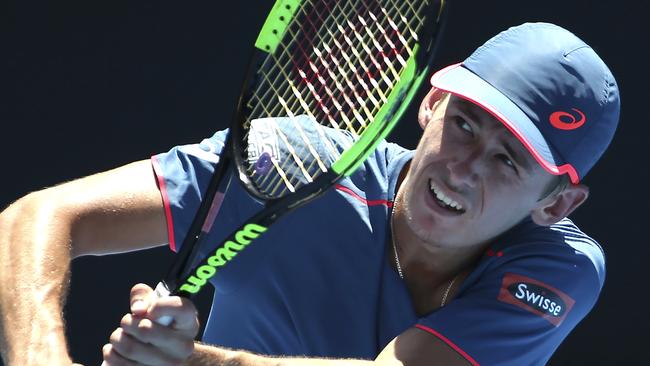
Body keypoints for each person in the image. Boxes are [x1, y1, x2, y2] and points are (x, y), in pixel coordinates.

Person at [0, 22, 619, 366]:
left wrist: (192, 363)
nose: (463, 170)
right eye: (464, 124)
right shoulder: (289, 165)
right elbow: (38, 216)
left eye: (509, 160)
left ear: (556, 204)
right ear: (431, 105)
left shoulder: (557, 270)